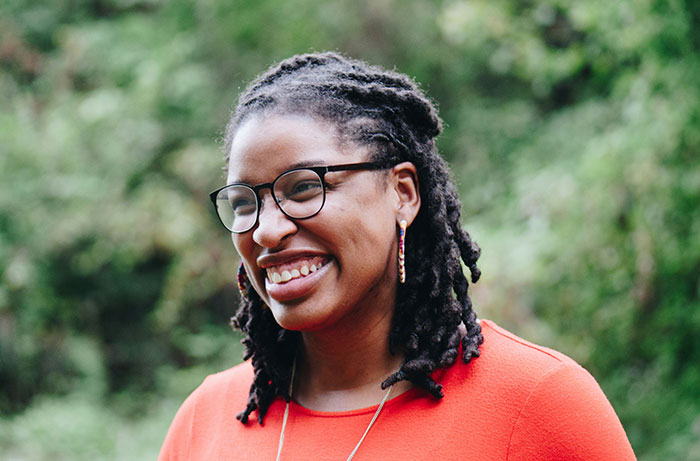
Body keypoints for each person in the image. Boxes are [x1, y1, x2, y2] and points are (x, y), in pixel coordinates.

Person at [159, 52, 635, 460]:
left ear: (402, 193)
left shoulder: (538, 403)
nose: (267, 230)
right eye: (245, 203)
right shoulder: (206, 421)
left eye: (304, 189)